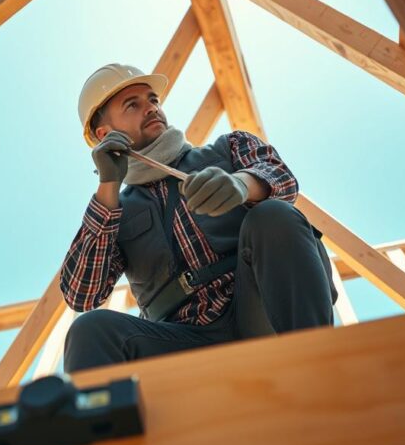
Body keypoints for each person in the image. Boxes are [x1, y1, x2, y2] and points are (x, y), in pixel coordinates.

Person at [60, 63, 337, 372]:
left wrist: (241, 185)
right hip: (182, 344)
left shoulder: (228, 148)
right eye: (133, 105)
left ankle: (319, 370)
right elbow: (81, 294)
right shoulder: (115, 211)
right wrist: (108, 186)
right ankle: (100, 419)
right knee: (90, 329)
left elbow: (282, 180)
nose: (151, 108)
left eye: (153, 100)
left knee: (274, 215)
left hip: (260, 311)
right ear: (105, 134)